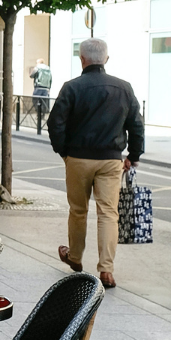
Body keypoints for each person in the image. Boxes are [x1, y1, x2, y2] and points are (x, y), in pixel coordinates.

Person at [47, 38, 144, 289]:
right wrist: (133, 155)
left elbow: (55, 122)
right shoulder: (124, 88)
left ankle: (75, 257)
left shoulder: (71, 87)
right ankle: (106, 269)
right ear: (106, 59)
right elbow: (136, 125)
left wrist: (64, 152)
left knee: (78, 210)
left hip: (78, 158)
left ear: (82, 59)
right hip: (111, 160)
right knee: (108, 214)